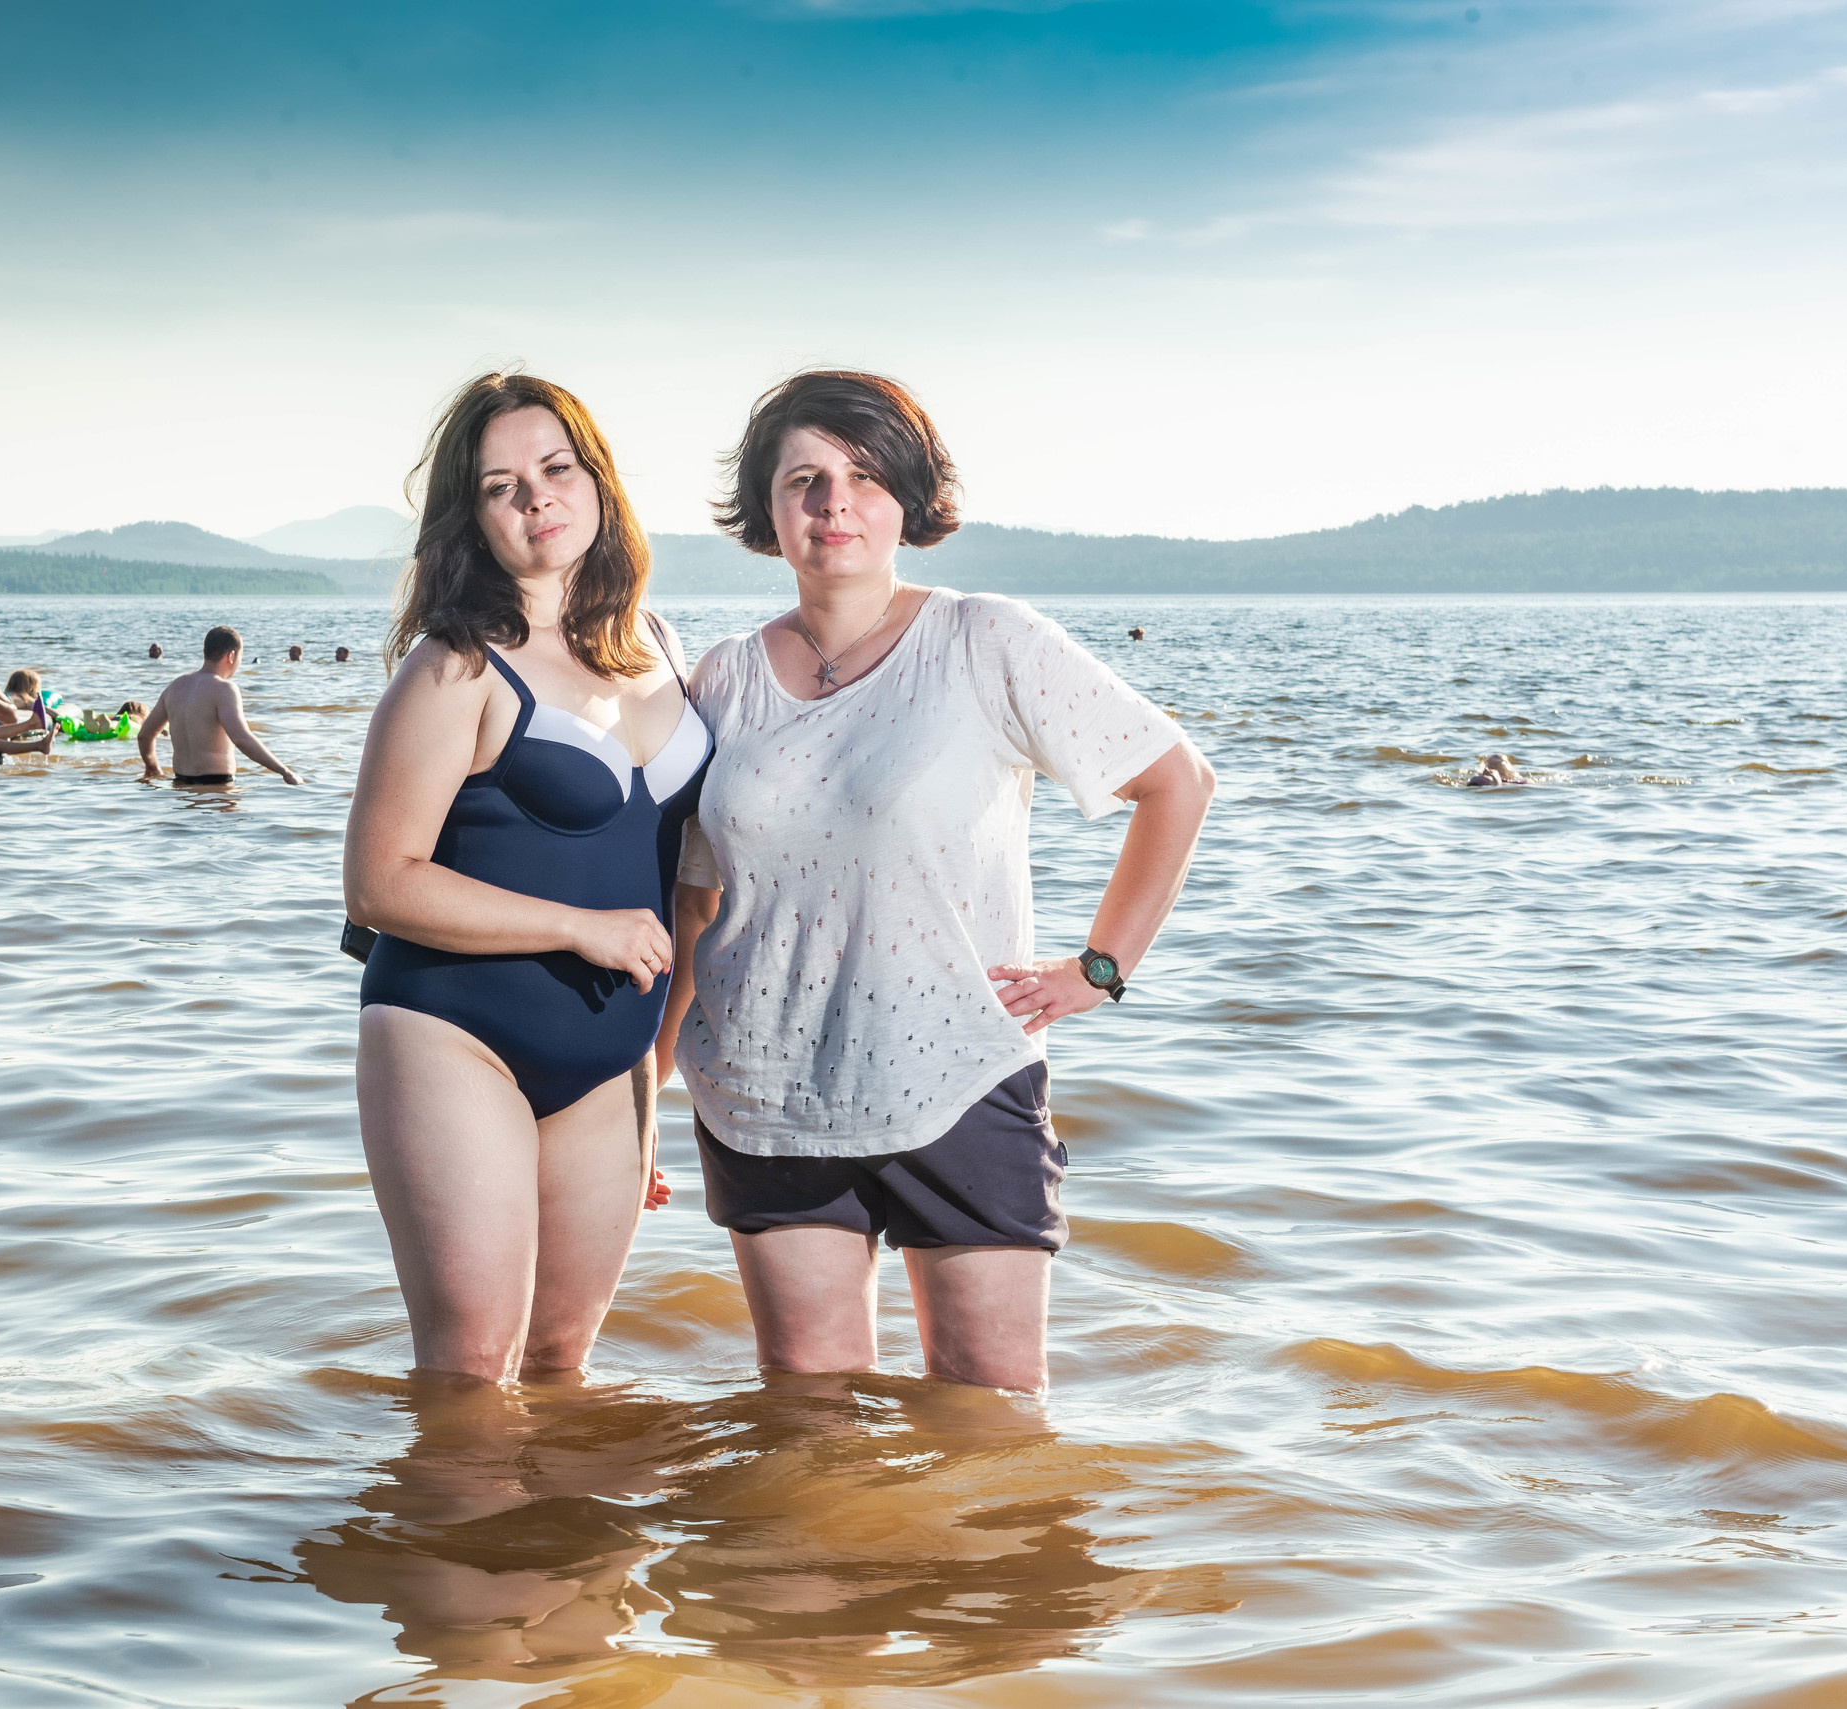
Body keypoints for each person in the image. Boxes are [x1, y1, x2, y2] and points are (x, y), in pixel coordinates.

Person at [660, 370, 1214, 1394]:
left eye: (865, 478)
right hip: (760, 1093)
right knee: (805, 1432)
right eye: (805, 480)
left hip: (954, 1077)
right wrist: (646, 1084)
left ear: (909, 499)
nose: (834, 506)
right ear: (765, 505)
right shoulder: (721, 677)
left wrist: (1100, 966)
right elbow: (700, 900)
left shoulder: (982, 639)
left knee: (989, 1425)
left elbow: (1174, 779)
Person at [342, 371, 711, 1384]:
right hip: (454, 1037)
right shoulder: (454, 664)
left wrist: (662, 1063)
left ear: (596, 481)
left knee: (560, 1366)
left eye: (555, 468)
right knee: (469, 1368)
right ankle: (441, 1547)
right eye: (501, 485)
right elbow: (377, 884)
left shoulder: (660, 648)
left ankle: (564, 1553)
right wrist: (579, 926)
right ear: (474, 518)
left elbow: (690, 882)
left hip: (612, 1064)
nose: (536, 497)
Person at [137, 627, 304, 787]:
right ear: (231, 656)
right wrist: (285, 771)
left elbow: (145, 735)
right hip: (217, 787)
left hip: (180, 785)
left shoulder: (175, 686)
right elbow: (241, 739)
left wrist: (152, 767)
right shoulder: (225, 689)